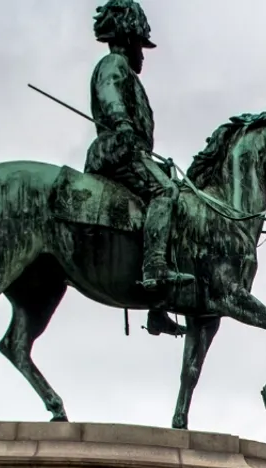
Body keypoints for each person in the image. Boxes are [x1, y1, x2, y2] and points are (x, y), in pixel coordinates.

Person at [85, 0, 194, 338]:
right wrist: (120, 121)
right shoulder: (113, 64)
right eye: (141, 47)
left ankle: (158, 307)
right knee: (165, 191)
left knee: (172, 192)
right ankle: (154, 269)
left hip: (130, 149)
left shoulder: (124, 67)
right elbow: (110, 95)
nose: (143, 55)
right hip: (116, 150)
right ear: (129, 39)